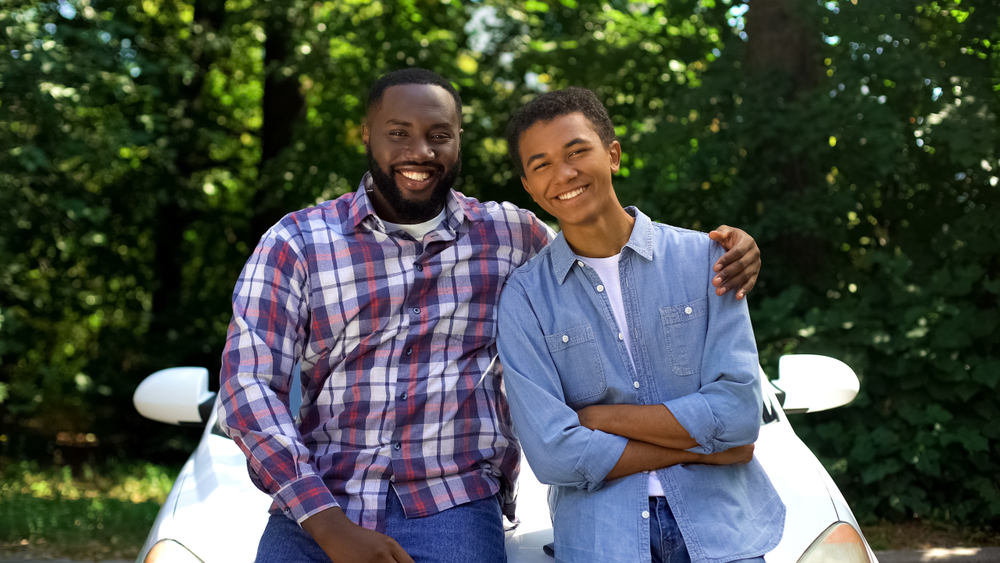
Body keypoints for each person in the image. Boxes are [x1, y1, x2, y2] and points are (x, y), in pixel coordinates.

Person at [218, 68, 762, 563]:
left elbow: (604, 253)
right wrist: (327, 523)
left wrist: (728, 249)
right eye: (398, 132)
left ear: (458, 141)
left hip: (453, 504)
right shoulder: (297, 241)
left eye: (438, 135)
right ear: (367, 134)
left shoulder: (510, 237)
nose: (419, 151)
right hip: (316, 506)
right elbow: (248, 387)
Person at [496, 87, 785, 563]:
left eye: (576, 152)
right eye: (541, 163)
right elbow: (553, 455)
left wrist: (597, 419)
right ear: (528, 186)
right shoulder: (525, 298)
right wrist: (705, 448)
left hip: (722, 533)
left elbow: (737, 415)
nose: (563, 174)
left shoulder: (708, 261)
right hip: (602, 542)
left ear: (612, 154)